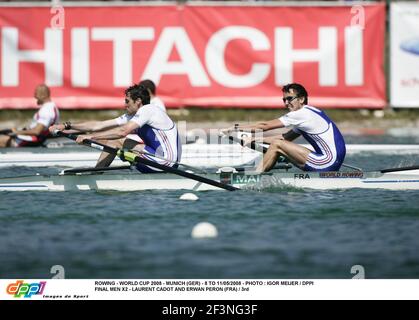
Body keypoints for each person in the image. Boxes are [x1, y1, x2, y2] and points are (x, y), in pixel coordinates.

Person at [49, 84, 181, 172]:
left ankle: (97, 174)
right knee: (113, 142)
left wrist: (90, 137)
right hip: (156, 158)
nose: (125, 105)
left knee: (116, 141)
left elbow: (122, 132)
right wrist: (66, 126)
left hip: (166, 162)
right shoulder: (133, 115)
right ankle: (97, 172)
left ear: (138, 101)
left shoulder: (148, 110)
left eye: (127, 101)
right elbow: (98, 125)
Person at [222, 83, 346, 172]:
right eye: (284, 99)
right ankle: (262, 169)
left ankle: (255, 175)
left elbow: (265, 126)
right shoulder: (309, 113)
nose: (286, 103)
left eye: (289, 99)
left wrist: (235, 127)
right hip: (331, 162)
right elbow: (285, 138)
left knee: (276, 145)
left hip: (326, 163)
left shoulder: (301, 114)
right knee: (279, 144)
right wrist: (255, 138)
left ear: (302, 99)